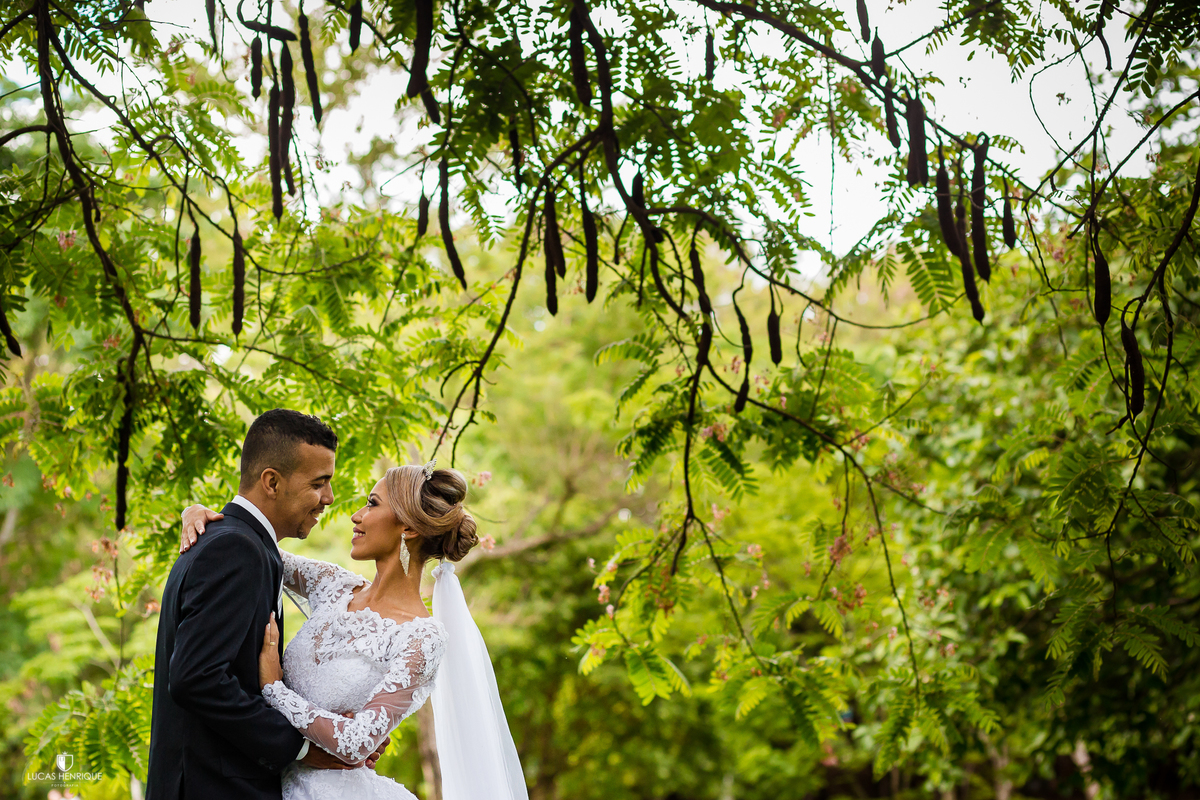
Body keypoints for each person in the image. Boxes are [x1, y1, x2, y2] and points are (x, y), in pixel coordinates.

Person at [178, 460, 529, 800]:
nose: (356, 515)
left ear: (407, 528)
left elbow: (357, 743)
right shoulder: (333, 584)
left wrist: (274, 688)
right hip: (264, 782)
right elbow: (250, 544)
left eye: (372, 504)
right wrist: (198, 513)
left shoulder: (422, 638)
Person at [147, 409, 387, 800]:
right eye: (319, 483)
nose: (329, 498)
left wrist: (332, 729)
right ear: (271, 482)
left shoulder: (244, 544)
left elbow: (242, 676)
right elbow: (197, 678)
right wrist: (306, 749)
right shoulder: (235, 548)